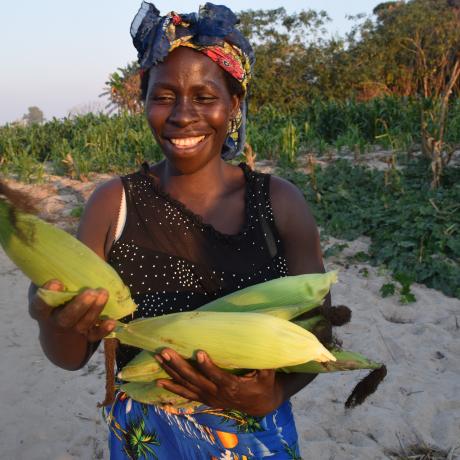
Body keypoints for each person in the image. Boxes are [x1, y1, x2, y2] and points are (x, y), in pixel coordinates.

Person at [28, 2, 330, 458]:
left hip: (252, 432)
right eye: (164, 96)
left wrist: (273, 394)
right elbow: (70, 357)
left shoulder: (279, 204)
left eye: (205, 97)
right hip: (146, 438)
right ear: (144, 102)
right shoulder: (115, 204)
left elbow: (319, 333)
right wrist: (51, 316)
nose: (182, 115)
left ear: (234, 105)